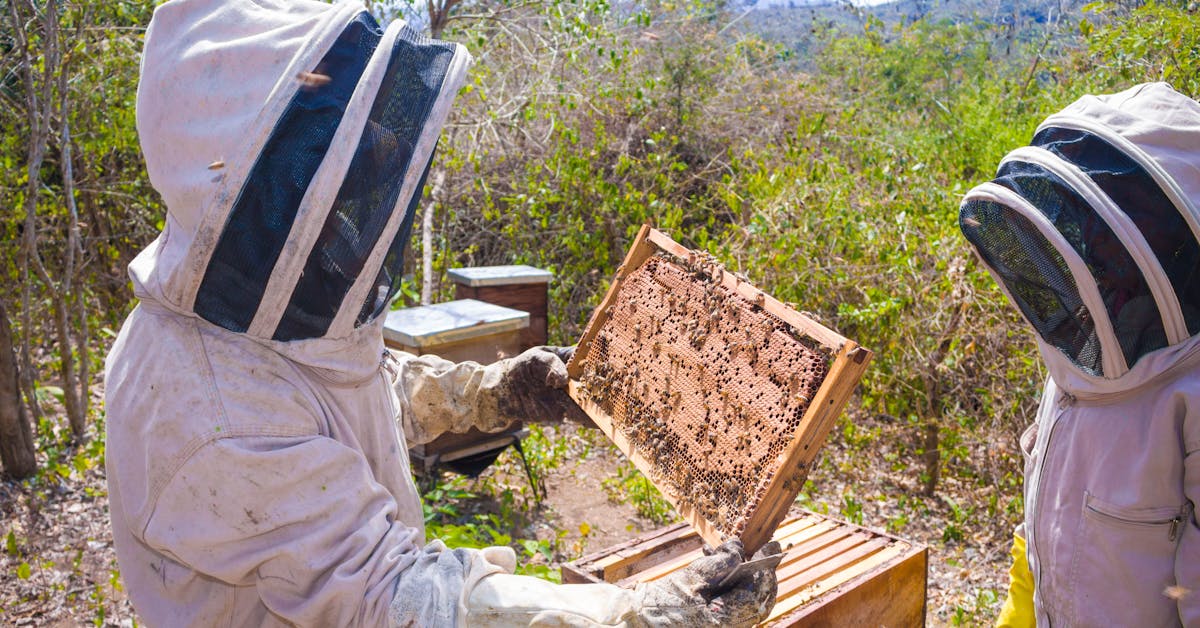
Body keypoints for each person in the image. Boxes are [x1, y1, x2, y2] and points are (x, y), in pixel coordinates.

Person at [103, 0, 780, 625]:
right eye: (337, 157)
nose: (373, 175)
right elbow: (389, 600)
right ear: (264, 183)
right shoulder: (209, 416)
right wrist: (636, 618)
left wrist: (491, 391)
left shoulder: (262, 335)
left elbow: (356, 391)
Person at [957, 82, 1200, 626]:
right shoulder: (1081, 352)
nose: (1100, 246)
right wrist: (1020, 608)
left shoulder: (1189, 398)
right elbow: (1048, 513)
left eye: (1128, 222)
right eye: (1092, 228)